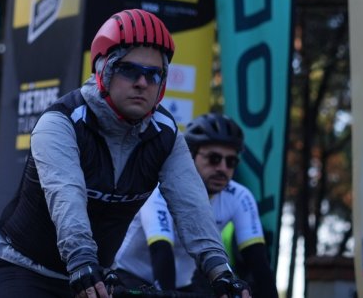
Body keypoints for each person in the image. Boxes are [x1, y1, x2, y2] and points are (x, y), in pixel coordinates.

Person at [0, 9, 253, 298]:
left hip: (93, 277)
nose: (141, 82)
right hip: (22, 268)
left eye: (154, 74)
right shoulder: (61, 123)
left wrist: (221, 272)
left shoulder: (166, 135)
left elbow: (192, 206)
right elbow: (67, 197)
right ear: (103, 70)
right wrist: (83, 260)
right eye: (128, 69)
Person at [112, 114, 279, 298]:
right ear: (190, 156)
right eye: (214, 159)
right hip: (131, 276)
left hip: (183, 283)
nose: (223, 168)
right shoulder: (160, 190)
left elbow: (258, 263)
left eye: (231, 162)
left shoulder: (240, 196)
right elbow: (161, 251)